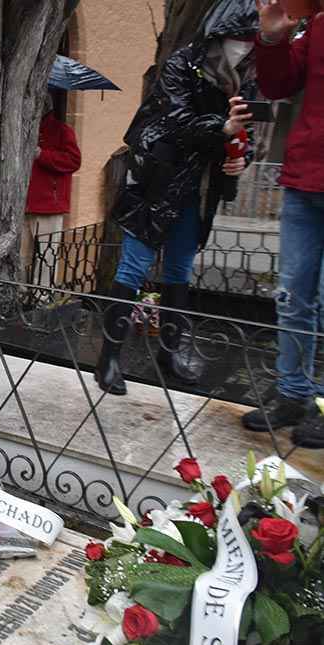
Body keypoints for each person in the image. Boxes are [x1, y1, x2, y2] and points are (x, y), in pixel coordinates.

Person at [95, 2, 258, 396]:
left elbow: (246, 134)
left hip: (199, 187)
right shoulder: (182, 64)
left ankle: (170, 352)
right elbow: (173, 120)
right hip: (157, 181)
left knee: (180, 269)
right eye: (239, 39)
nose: (245, 48)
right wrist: (221, 126)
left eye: (250, 42)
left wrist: (241, 157)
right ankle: (109, 357)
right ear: (220, 35)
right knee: (134, 266)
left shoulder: (247, 77)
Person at [242, 0, 324, 448]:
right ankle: (293, 394)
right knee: (293, 296)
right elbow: (277, 85)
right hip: (305, 182)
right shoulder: (316, 27)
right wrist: (272, 36)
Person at [23, 92, 81, 283]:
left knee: (46, 258)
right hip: (24, 204)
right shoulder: (22, 127)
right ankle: (18, 296)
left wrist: (42, 155)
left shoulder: (63, 131)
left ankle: (42, 298)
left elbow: (73, 161)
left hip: (48, 205)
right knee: (21, 256)